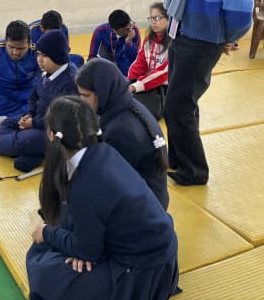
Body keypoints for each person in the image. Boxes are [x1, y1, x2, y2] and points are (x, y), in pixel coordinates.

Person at [26, 96, 179, 300]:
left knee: (44, 266)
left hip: (142, 270)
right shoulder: (104, 151)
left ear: (51, 134)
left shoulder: (85, 182)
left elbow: (87, 251)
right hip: (156, 252)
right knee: (58, 236)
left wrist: (48, 233)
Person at [164, 0, 253, 186]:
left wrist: (226, 38)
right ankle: (178, 158)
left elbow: (240, 10)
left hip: (201, 43)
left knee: (178, 106)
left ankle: (195, 171)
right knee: (180, 103)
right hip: (181, 35)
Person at [0, 30, 78, 172]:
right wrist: (29, 113)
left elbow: (59, 120)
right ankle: (35, 152)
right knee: (6, 124)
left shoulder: (69, 83)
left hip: (54, 131)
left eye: (45, 56)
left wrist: (33, 123)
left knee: (25, 140)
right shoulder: (47, 70)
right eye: (39, 54)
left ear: (57, 57)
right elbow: (34, 95)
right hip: (34, 116)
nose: (39, 59)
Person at [76, 58, 169, 209]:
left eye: (86, 96)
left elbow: (109, 185)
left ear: (102, 92)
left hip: (143, 212)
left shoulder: (121, 132)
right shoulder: (123, 104)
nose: (81, 101)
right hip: (148, 196)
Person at [127, 2, 171, 120]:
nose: (153, 21)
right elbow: (140, 63)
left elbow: (163, 73)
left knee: (140, 112)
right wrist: (130, 81)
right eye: (151, 18)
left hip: (166, 88)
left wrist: (135, 86)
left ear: (169, 19)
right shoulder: (149, 40)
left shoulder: (175, 44)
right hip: (148, 83)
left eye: (158, 18)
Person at [87, 9, 140, 76]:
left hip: (125, 70)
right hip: (105, 67)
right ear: (113, 30)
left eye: (129, 26)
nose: (128, 30)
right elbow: (92, 57)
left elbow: (136, 59)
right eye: (125, 30)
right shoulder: (100, 31)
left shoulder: (134, 31)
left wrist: (129, 43)